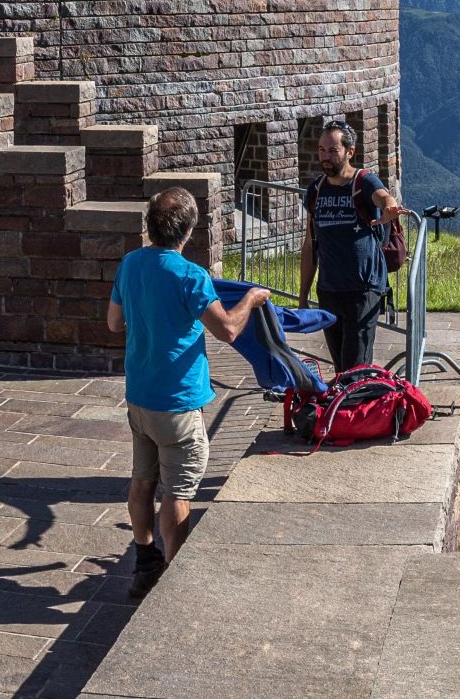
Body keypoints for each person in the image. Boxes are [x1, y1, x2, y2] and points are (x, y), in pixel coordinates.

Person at [107, 186, 271, 598]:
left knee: (142, 482)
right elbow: (228, 328)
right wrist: (251, 298)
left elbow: (113, 323)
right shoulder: (190, 276)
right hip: (178, 402)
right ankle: (173, 582)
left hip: (139, 396)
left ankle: (144, 560)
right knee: (177, 494)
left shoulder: (130, 264)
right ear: (189, 231)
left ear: (150, 225)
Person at [297, 120, 402, 374]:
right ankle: (347, 411)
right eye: (322, 149)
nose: (325, 156)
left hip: (363, 290)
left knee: (356, 369)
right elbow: (310, 246)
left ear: (350, 152)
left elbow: (381, 194)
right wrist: (302, 295)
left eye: (333, 150)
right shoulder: (316, 190)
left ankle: (357, 411)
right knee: (341, 367)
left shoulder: (362, 181)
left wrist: (389, 205)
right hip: (329, 290)